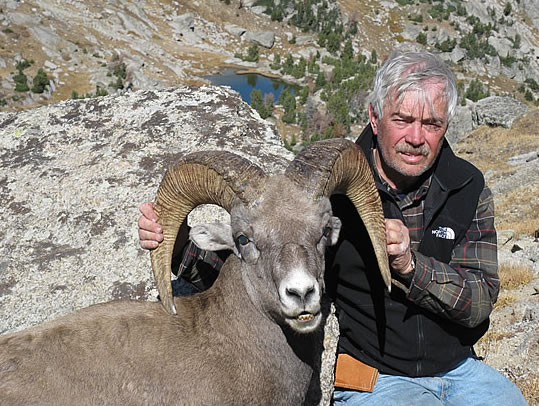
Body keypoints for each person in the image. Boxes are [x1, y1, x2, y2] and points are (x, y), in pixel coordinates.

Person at [138, 51, 527, 406]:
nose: (415, 137)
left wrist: (411, 267)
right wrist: (174, 246)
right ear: (375, 118)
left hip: (461, 370)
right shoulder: (329, 195)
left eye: (432, 124)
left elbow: (479, 301)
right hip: (378, 377)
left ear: (446, 126)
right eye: (403, 119)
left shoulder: (467, 187)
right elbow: (262, 263)